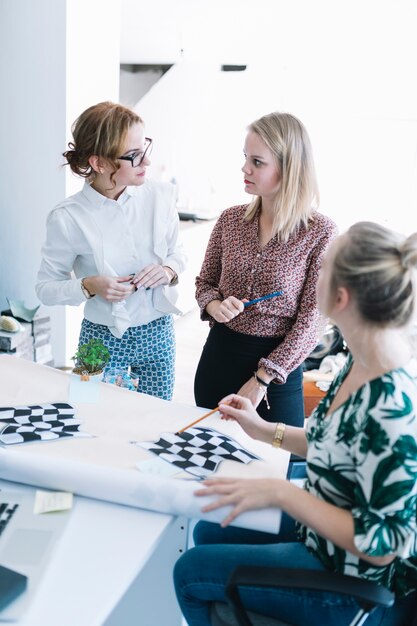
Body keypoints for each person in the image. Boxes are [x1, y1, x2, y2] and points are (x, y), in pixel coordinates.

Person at [174, 221, 417, 626]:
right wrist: (262, 429)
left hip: (351, 584)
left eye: (323, 268)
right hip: (321, 532)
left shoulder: (390, 407)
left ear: (340, 298)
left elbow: (384, 546)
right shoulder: (360, 358)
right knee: (207, 530)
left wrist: (284, 495)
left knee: (190, 571)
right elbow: (333, 445)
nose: (312, 273)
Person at [36, 101, 186, 400]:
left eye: (145, 149)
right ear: (99, 163)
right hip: (98, 338)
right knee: (85, 410)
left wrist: (167, 271)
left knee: (156, 419)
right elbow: (45, 289)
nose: (146, 162)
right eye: (133, 156)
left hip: (158, 333)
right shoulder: (67, 217)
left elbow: (177, 255)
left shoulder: (162, 196)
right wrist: (89, 285)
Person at [194, 111, 337, 425]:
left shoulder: (320, 232)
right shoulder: (229, 220)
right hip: (218, 359)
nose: (245, 168)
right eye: (246, 158)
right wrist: (215, 306)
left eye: (257, 162)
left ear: (289, 168)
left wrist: (262, 378)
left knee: (273, 466)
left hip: (276, 380)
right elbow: (204, 283)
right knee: (206, 465)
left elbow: (312, 322)